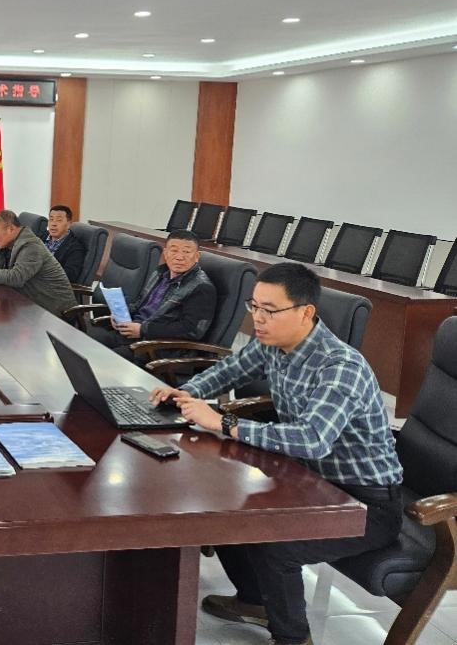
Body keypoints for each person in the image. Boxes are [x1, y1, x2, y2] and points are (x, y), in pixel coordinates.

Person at [150, 263, 403, 645]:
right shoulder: (272, 344)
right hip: (312, 480)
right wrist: (187, 392)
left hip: (367, 503)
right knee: (228, 509)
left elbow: (313, 439)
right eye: (254, 306)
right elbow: (228, 371)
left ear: (305, 312)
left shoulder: (340, 366)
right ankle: (255, 601)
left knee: (277, 546)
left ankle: (293, 638)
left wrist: (224, 423)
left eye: (270, 310)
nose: (258, 318)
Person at [85, 229, 216, 362]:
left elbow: (192, 330)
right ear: (165, 253)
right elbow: (140, 303)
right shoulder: (160, 272)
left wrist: (143, 329)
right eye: (174, 250)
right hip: (134, 333)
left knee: (103, 359)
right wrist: (120, 315)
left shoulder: (202, 287)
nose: (179, 257)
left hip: (159, 348)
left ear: (197, 256)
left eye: (186, 252)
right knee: (85, 342)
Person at [0, 210, 76, 317]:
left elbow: (16, 277)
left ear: (11, 229)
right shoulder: (10, 242)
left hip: (57, 312)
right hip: (31, 305)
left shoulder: (31, 246)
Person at [43, 205, 87, 284]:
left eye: (59, 220)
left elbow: (70, 275)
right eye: (51, 219)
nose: (53, 224)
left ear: (69, 224)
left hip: (51, 286)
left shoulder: (75, 248)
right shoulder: (41, 237)